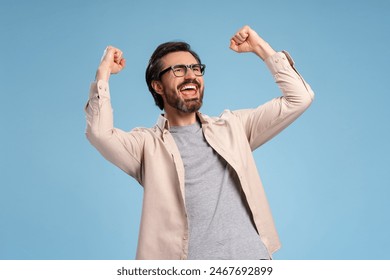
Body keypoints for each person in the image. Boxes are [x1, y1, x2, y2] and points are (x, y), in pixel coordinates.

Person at [85, 25, 314, 260]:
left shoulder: (233, 127)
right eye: (179, 70)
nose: (191, 75)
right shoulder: (145, 146)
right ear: (157, 86)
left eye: (196, 68)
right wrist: (103, 74)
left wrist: (260, 48)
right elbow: (100, 134)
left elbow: (299, 98)